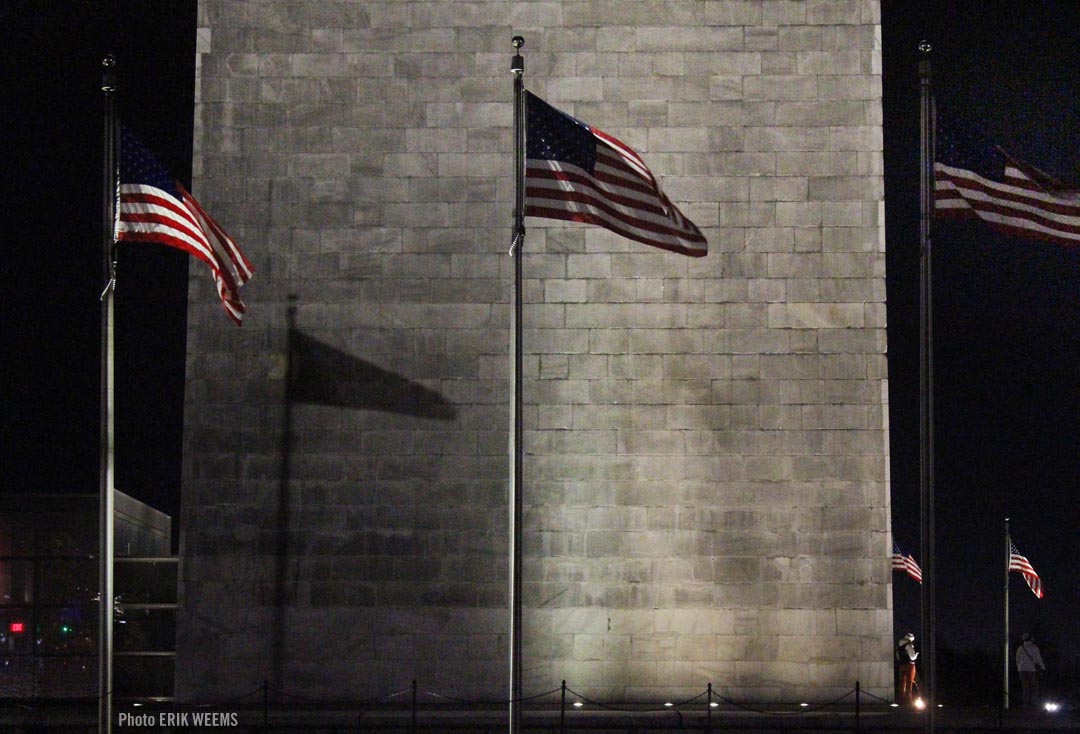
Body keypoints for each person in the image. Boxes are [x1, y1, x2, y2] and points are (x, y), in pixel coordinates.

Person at [1016, 632, 1046, 708]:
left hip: (1022, 670)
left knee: (1025, 686)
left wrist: (1019, 667)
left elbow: (1017, 659)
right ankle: (1033, 702)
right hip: (1031, 669)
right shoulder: (1034, 647)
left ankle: (1025, 703)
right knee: (1035, 686)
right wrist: (1043, 668)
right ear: (1031, 639)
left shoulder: (1020, 648)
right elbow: (1039, 659)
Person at [896, 632, 919, 705]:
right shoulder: (909, 644)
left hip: (902, 665)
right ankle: (908, 700)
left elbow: (897, 656)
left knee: (902, 682)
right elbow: (912, 656)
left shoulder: (898, 645)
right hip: (910, 665)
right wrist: (916, 655)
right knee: (909, 682)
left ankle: (902, 699)